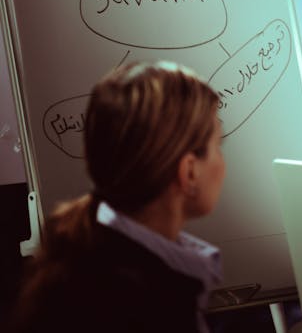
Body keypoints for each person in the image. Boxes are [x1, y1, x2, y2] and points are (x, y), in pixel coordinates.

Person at [9, 60, 225, 333]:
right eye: (218, 146)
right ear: (189, 172)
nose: (222, 163)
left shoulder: (87, 258)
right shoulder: (144, 305)